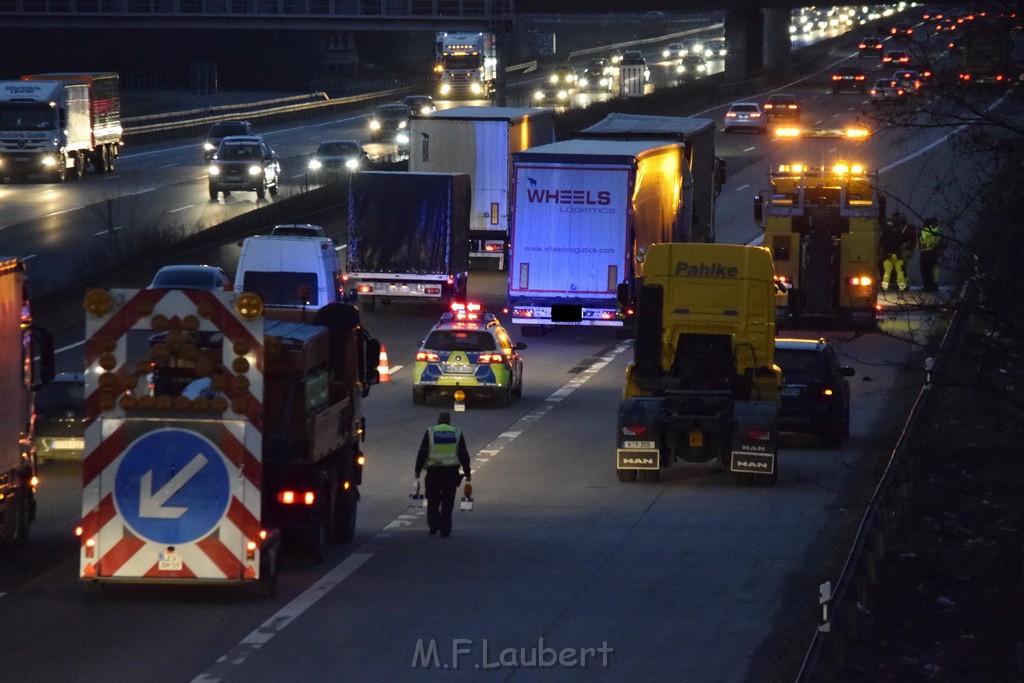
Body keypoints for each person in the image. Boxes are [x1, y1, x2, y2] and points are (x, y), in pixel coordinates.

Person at [415, 411, 471, 538]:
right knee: (447, 502)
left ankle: (434, 526)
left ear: (438, 420)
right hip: (451, 473)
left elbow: (422, 452)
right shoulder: (456, 432)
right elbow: (463, 454)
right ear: (449, 421)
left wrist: (417, 471)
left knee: (433, 501)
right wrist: (467, 472)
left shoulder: (431, 431)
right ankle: (445, 530)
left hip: (433, 472)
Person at [879, 211, 916, 292]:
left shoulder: (886, 233)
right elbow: (907, 241)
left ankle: (884, 287)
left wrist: (882, 253)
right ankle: (902, 287)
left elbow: (882, 244)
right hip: (898, 255)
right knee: (900, 272)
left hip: (888, 255)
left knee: (887, 272)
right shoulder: (901, 234)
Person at [918, 217, 944, 292]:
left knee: (926, 271)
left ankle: (928, 286)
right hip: (932, 252)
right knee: (932, 270)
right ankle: (932, 286)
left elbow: (923, 240)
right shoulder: (938, 230)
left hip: (927, 253)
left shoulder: (926, 231)